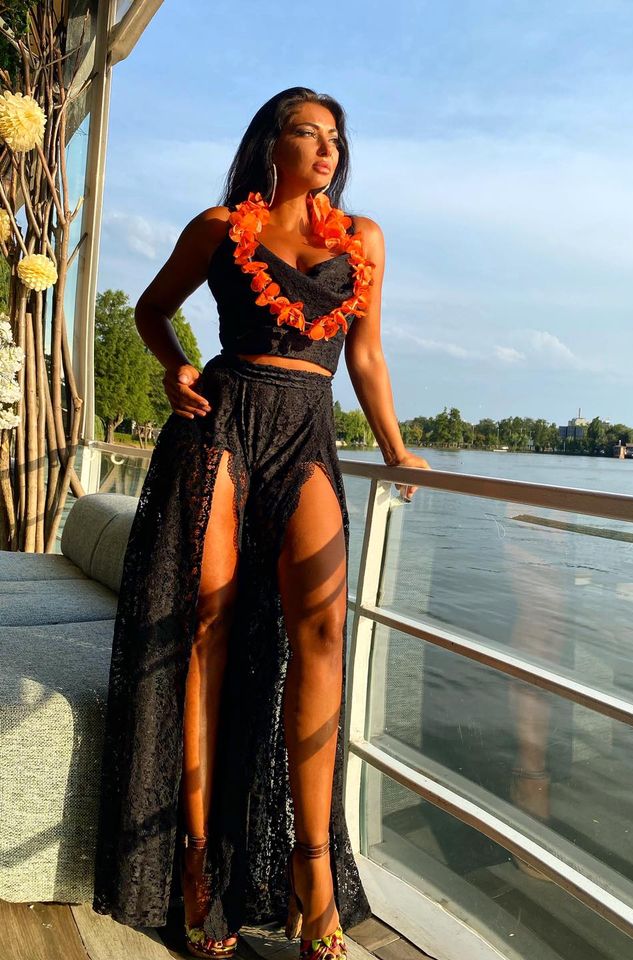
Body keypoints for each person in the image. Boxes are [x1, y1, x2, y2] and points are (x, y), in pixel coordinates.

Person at [92, 86, 431, 960]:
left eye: (335, 137)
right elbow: (151, 311)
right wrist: (173, 368)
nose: (326, 148)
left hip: (308, 431)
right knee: (205, 630)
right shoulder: (219, 227)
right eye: (307, 132)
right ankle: (197, 860)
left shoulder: (363, 240)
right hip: (222, 426)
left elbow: (366, 355)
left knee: (322, 632)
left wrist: (397, 450)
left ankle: (312, 873)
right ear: (270, 144)